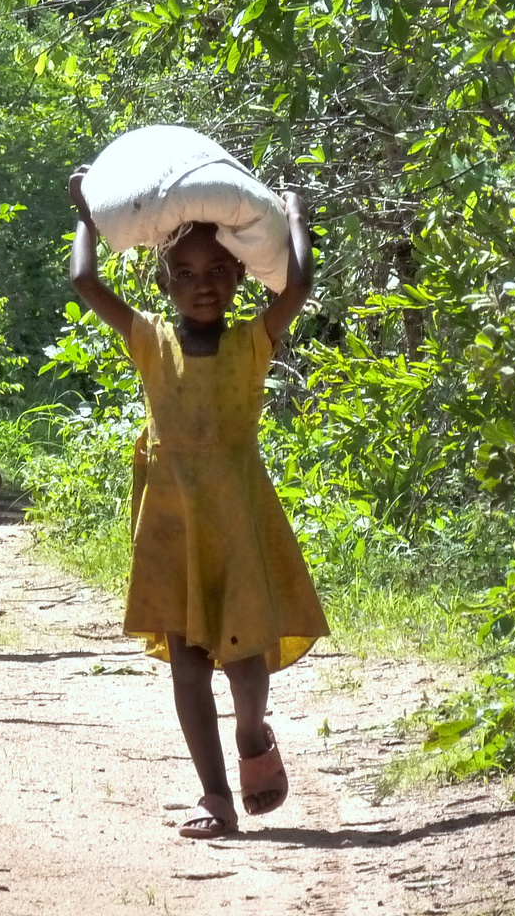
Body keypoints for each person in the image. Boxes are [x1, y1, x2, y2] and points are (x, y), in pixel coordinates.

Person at [66, 167, 329, 838]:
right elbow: (83, 282)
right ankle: (213, 795)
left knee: (244, 661)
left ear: (238, 278)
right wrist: (87, 215)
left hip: (236, 519)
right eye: (185, 273)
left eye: (217, 270)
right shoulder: (150, 340)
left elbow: (298, 285)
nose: (203, 283)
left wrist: (295, 212)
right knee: (186, 659)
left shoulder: (250, 343)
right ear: (164, 285)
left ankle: (251, 732)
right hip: (172, 522)